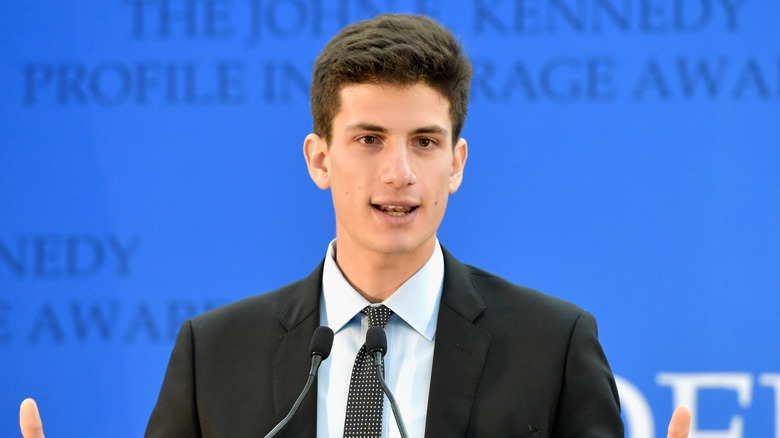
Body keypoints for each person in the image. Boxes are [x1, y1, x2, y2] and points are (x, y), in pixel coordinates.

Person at [20, 13, 693, 438]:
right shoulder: (215, 354)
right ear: (320, 159)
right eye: (369, 139)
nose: (399, 173)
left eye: (424, 142)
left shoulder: (553, 346)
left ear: (456, 164)